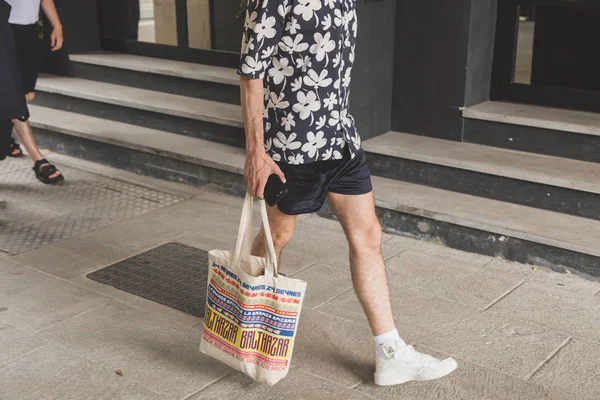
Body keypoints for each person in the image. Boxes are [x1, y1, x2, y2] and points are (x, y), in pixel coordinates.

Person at [238, 0, 458, 386]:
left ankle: (390, 353)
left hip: (341, 140)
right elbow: (251, 72)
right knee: (277, 235)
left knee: (368, 235)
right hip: (294, 147)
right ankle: (242, 320)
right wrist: (256, 152)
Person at [4, 0, 63, 184]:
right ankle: (38, 159)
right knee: (15, 96)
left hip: (31, 30)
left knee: (27, 95)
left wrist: (57, 25)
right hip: (6, 29)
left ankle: (5, 138)